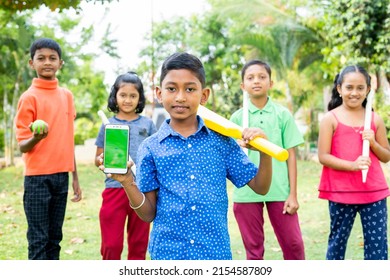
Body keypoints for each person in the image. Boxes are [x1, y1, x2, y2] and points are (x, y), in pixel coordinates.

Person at [98, 52, 273, 260]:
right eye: (172, 89)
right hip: (167, 255)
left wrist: (265, 153)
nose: (180, 97)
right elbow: (148, 214)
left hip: (213, 254)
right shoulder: (151, 147)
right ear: (159, 93)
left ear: (204, 95)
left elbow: (260, 187)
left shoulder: (221, 140)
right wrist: (127, 182)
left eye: (190, 89)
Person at [14, 38, 82, 260]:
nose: (47, 62)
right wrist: (36, 137)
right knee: (38, 240)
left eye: (52, 58)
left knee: (55, 239)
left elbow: (67, 138)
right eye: (41, 58)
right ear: (31, 63)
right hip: (37, 180)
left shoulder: (67, 96)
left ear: (60, 63)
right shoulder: (29, 97)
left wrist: (75, 178)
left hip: (61, 177)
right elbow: (23, 145)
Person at [230, 59, 305, 260]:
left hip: (280, 191)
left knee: (294, 246)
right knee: (254, 252)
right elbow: (229, 156)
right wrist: (238, 144)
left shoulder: (283, 115)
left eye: (262, 77)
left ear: (271, 83)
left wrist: (293, 194)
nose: (257, 81)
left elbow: (291, 156)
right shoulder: (236, 118)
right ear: (242, 85)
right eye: (250, 77)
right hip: (246, 192)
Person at [318, 65, 390, 260]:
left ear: (368, 90)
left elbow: (386, 156)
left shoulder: (375, 119)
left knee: (378, 246)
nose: (354, 93)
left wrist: (373, 142)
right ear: (339, 89)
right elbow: (323, 156)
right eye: (349, 87)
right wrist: (352, 165)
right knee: (337, 244)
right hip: (341, 192)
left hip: (373, 192)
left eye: (360, 88)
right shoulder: (330, 119)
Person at [94, 72, 157, 260]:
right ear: (115, 96)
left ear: (140, 98)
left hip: (142, 190)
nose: (127, 100)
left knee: (139, 244)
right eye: (123, 95)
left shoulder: (148, 124)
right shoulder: (108, 124)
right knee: (111, 245)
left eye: (133, 96)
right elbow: (97, 157)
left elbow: (155, 156)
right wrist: (102, 161)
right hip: (114, 189)